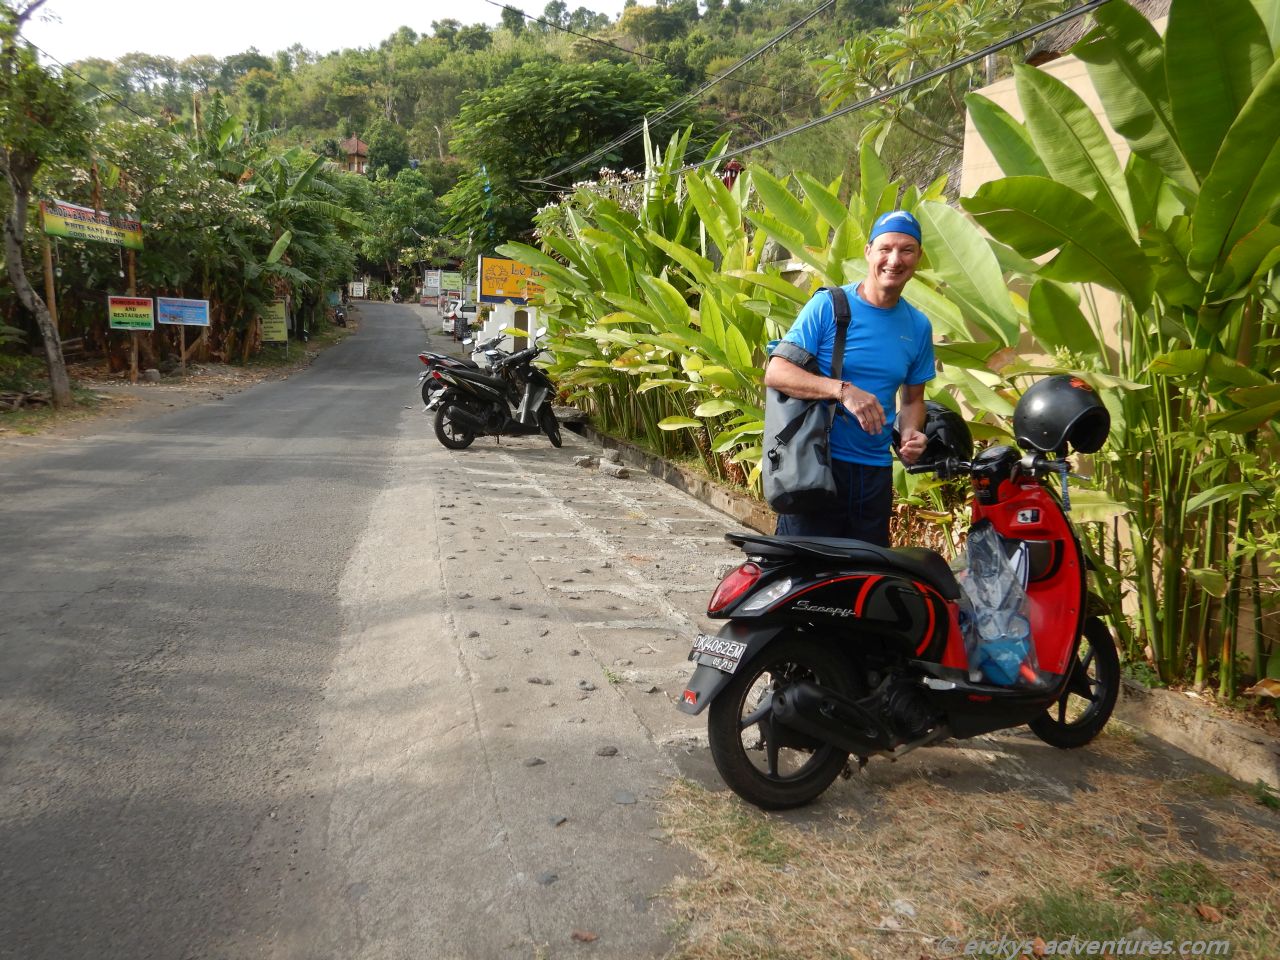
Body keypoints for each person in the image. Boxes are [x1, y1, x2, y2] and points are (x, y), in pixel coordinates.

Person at [763, 209, 936, 546]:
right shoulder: (830, 306)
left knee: (863, 582)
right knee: (803, 579)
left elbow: (913, 399)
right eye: (885, 249)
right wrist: (842, 390)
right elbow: (777, 372)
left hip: (874, 475)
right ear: (869, 251)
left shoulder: (918, 326)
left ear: (918, 257)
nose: (895, 260)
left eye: (906, 250)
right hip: (817, 466)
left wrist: (912, 434)